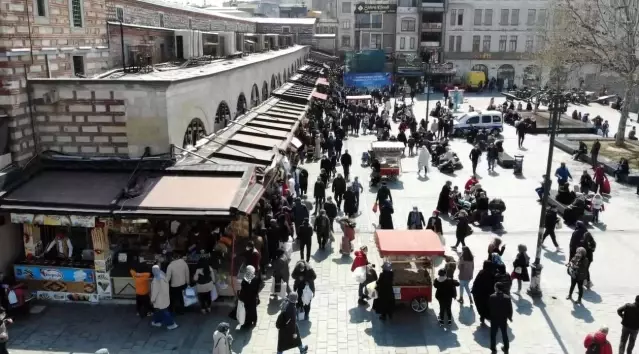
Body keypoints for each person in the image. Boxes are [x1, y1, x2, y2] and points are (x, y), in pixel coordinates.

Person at [150, 265, 178, 330]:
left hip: (159, 299)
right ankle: (157, 321)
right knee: (158, 310)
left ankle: (171, 324)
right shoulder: (163, 275)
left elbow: (155, 291)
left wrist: (152, 299)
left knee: (164, 311)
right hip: (165, 297)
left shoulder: (156, 280)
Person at [489, 282, 513, 354]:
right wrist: (510, 317)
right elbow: (510, 309)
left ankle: (493, 348)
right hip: (503, 319)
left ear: (496, 288)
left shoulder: (492, 297)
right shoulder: (507, 297)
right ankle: (506, 347)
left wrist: (490, 317)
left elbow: (489, 307)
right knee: (504, 333)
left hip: (494, 319)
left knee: (493, 334)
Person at [473, 261, 496, 325]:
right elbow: (494, 284)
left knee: (481, 306)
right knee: (488, 307)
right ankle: (489, 317)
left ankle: (482, 316)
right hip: (488, 294)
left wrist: (474, 291)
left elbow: (476, 282)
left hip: (480, 294)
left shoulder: (481, 272)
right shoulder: (492, 273)